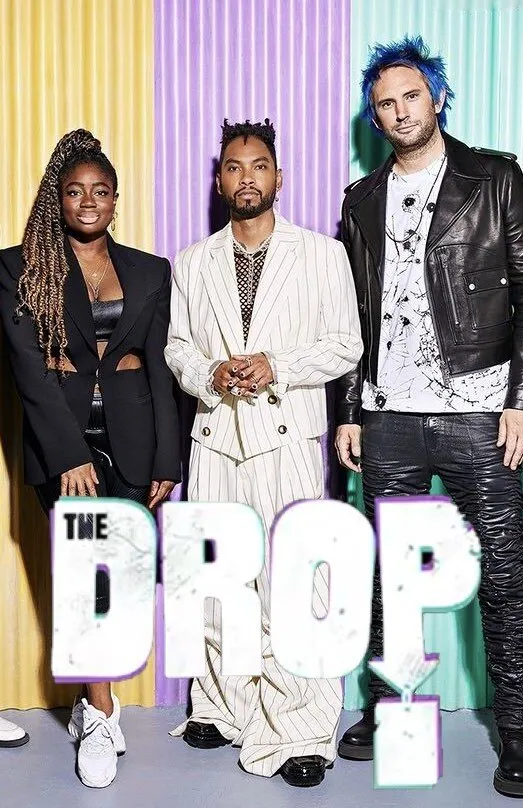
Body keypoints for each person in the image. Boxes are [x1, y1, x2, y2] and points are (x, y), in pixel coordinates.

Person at [334, 35, 523, 797]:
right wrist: (350, 409)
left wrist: (519, 399)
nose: (399, 111)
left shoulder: (495, 178)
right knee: (389, 576)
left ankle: (517, 732)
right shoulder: (360, 199)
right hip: (388, 414)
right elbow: (352, 315)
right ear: (374, 117)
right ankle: (386, 711)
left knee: (505, 575)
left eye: (411, 95)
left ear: (437, 97)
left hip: (479, 407)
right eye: (385, 103)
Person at [165, 119, 362, 787]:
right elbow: (177, 348)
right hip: (216, 435)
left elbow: (345, 344)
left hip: (287, 438)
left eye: (258, 166)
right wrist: (210, 373)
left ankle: (302, 729)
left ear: (279, 177)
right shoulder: (193, 261)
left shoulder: (322, 255)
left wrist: (276, 365)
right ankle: (223, 707)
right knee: (218, 579)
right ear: (219, 181)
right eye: (233, 167)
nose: (245, 177)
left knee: (296, 583)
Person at [0, 129, 180, 788]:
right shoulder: (21, 267)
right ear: (59, 198)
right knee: (87, 576)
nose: (87, 201)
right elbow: (29, 368)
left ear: (115, 199)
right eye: (74, 191)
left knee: (121, 580)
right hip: (64, 446)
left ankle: (89, 700)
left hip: (134, 440)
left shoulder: (150, 271)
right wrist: (69, 454)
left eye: (100, 191)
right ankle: (103, 713)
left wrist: (167, 457)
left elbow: (158, 368)